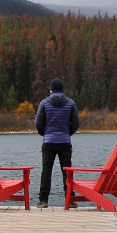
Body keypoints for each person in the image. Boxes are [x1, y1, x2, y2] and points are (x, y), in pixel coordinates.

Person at [35, 78, 80, 208]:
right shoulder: (70, 103)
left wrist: (44, 133)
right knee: (67, 171)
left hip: (49, 142)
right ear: (62, 89)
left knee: (46, 170)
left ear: (51, 90)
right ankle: (70, 200)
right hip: (65, 141)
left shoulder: (44, 103)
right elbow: (76, 123)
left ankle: (43, 201)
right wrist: (67, 133)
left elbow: (38, 122)